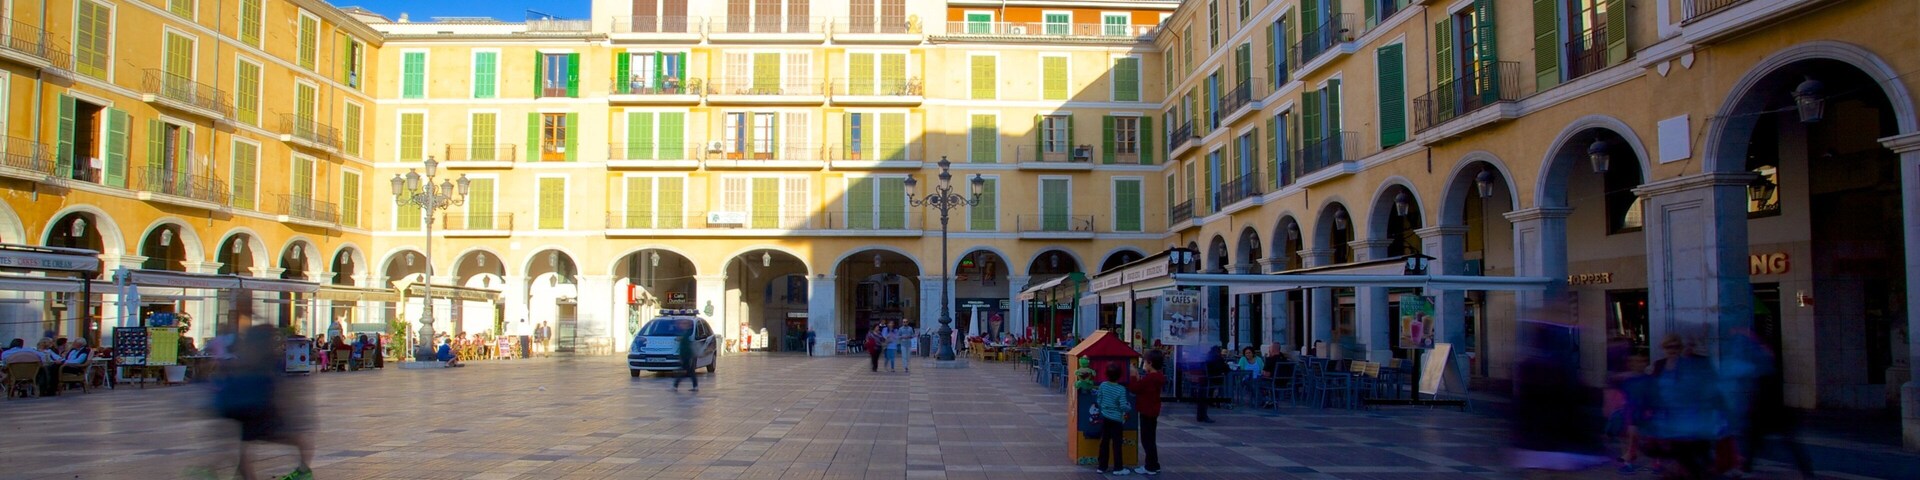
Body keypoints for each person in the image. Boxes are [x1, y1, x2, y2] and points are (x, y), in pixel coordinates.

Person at [216, 325, 315, 480]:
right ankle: (304, 470)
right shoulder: (268, 359)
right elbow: (280, 386)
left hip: (256, 408)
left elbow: (277, 386)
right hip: (256, 408)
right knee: (249, 447)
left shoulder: (256, 359)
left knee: (246, 448)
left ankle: (303, 471)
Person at [1642, 334, 1724, 479]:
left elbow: (1699, 390)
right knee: (1678, 456)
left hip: (1688, 417)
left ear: (1680, 348)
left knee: (1690, 456)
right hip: (1666, 417)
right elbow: (1651, 388)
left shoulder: (1689, 365)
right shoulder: (1659, 365)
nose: (1672, 350)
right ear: (1663, 348)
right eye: (1669, 347)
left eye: (1676, 347)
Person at [1127, 350, 1167, 475]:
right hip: (1153, 410)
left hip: (1146, 410)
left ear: (1150, 363)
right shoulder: (1158, 377)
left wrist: (1133, 375)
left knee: (1147, 440)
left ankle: (1151, 466)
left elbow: (1135, 388)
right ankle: (1154, 464)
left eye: (1144, 362)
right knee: (1150, 439)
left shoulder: (1150, 378)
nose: (1143, 364)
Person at [1094, 363, 1134, 475]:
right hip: (1117, 420)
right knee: (1117, 443)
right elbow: (1123, 406)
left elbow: (1099, 400)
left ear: (1106, 374)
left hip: (1105, 418)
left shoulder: (1102, 385)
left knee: (1104, 442)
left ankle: (1102, 466)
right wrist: (1129, 408)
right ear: (1120, 376)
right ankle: (1118, 467)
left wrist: (1104, 408)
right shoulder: (1121, 389)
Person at [1196, 346, 1228, 423]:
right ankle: (1204, 415)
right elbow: (1225, 369)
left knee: (1202, 397)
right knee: (1207, 396)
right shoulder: (1218, 358)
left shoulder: (1206, 358)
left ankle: (1200, 416)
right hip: (1212, 380)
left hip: (1203, 380)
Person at [671, 319, 699, 391]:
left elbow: (686, 347)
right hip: (687, 356)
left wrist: (682, 356)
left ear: (687, 325)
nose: (681, 325)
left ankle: (675, 386)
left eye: (683, 324)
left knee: (683, 371)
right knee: (690, 372)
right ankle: (695, 386)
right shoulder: (685, 333)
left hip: (686, 356)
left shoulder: (687, 334)